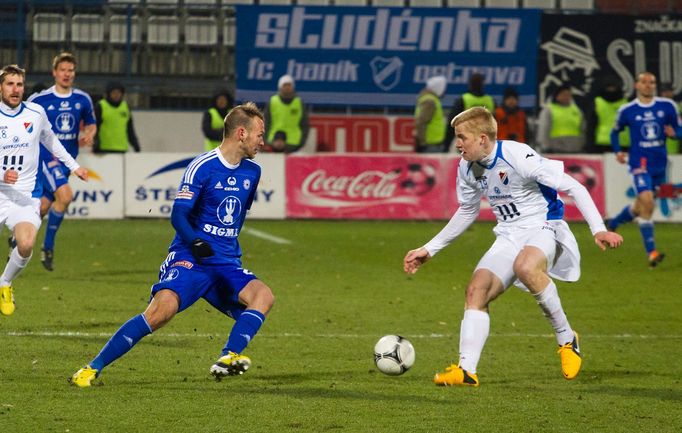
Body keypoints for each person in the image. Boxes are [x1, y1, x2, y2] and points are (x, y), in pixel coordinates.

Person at [403, 107, 623, 387]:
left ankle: (567, 339)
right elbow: (467, 210)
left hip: (545, 227)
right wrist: (429, 249)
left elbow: (574, 188)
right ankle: (466, 371)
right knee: (476, 290)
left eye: (462, 137)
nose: (457, 144)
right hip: (509, 235)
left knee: (525, 266)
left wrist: (599, 229)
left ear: (483, 138)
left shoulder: (518, 156)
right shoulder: (466, 166)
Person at [70, 102, 275, 387]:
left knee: (263, 296)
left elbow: (237, 217)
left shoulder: (251, 173)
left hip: (225, 262)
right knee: (160, 312)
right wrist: (196, 241)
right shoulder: (202, 167)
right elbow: (178, 215)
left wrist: (226, 250)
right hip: (191, 257)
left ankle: (228, 357)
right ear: (241, 133)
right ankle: (91, 369)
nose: (262, 141)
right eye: (259, 135)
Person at [0, 64, 88, 316]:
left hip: (25, 195)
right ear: (1, 87)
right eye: (10, 84)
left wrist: (74, 167)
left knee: (26, 243)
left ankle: (5, 283)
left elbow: (51, 141)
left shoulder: (36, 113)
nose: (15, 90)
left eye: (19, 84)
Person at [26, 52, 96, 271]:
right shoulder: (40, 99)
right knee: (65, 195)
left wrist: (90, 134)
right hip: (46, 158)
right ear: (54, 72)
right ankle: (48, 246)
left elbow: (92, 123)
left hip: (67, 161)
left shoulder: (82, 99)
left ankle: (18, 238)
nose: (67, 74)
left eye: (70, 70)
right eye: (63, 70)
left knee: (44, 207)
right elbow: (22, 117)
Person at [607, 72, 682, 267]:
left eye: (652, 82)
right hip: (639, 163)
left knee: (640, 206)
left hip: (660, 164)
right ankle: (652, 252)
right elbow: (615, 132)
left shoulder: (667, 106)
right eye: (644, 82)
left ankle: (615, 221)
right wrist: (617, 151)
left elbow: (679, 130)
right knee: (648, 201)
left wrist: (675, 134)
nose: (648, 85)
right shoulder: (627, 110)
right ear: (637, 85)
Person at [443, 73, 495, 151]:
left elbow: (452, 123)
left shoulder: (463, 99)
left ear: (470, 84)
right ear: (483, 85)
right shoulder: (490, 100)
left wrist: (446, 145)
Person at [264, 74, 309, 153]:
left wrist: (302, 142)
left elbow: (305, 124)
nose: (287, 87)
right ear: (280, 87)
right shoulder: (273, 101)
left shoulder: (298, 103)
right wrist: (265, 141)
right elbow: (266, 122)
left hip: (294, 143)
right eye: (285, 85)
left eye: (289, 85)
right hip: (273, 142)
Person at [93, 81, 140, 153]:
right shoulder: (101, 106)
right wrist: (95, 143)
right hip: (104, 149)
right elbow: (95, 127)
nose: (116, 95)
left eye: (119, 93)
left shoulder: (125, 107)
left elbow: (130, 129)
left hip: (122, 149)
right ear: (109, 94)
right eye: (114, 93)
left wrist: (135, 145)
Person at [536, 84, 585, 153]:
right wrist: (545, 146)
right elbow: (543, 130)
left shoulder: (577, 110)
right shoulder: (549, 110)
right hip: (556, 149)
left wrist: (583, 144)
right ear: (557, 96)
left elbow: (583, 129)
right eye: (564, 94)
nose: (567, 97)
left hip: (575, 149)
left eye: (569, 95)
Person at [586, 77, 629, 153]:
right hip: (603, 144)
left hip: (624, 143)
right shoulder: (597, 103)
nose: (611, 90)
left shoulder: (627, 104)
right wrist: (590, 146)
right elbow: (591, 127)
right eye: (609, 88)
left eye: (613, 88)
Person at [414, 75, 447, 153]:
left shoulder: (431, 99)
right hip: (430, 145)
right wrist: (422, 143)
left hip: (432, 143)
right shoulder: (430, 101)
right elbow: (421, 122)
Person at [658, 83, 680, 154]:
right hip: (659, 145)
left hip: (674, 144)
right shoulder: (655, 106)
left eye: (668, 91)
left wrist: (676, 134)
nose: (666, 94)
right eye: (664, 91)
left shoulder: (677, 106)